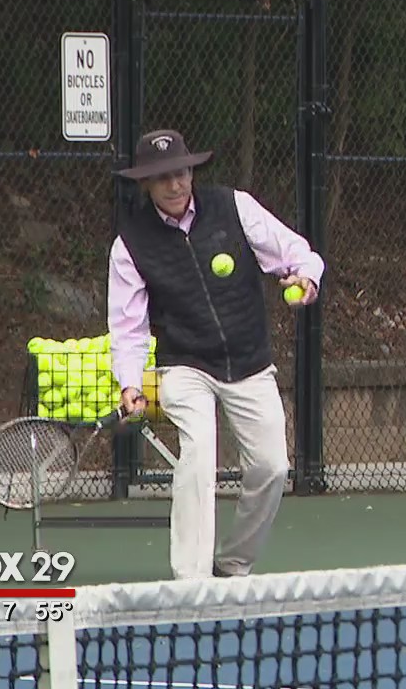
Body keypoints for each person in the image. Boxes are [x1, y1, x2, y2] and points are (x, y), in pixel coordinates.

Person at [107, 129, 324, 580]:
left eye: (181, 173)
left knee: (272, 468)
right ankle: (192, 581)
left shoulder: (235, 207)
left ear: (192, 172)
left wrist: (305, 277)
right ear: (146, 183)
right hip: (184, 366)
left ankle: (233, 564)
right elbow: (128, 328)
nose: (175, 184)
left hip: (249, 361)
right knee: (199, 454)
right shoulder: (130, 245)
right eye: (162, 177)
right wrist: (129, 384)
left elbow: (295, 251)